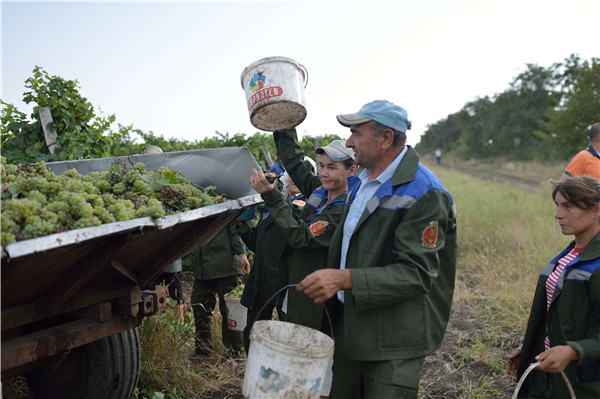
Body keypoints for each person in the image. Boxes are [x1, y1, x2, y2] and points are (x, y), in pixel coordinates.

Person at [296, 100, 458, 398]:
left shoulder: (424, 193)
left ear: (385, 138)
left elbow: (416, 275)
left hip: (393, 340)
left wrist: (345, 279)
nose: (348, 142)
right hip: (351, 325)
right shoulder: (361, 183)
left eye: (356, 134)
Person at [251, 139, 357, 399]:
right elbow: (296, 161)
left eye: (332, 167)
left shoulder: (342, 208)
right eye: (321, 166)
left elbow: (302, 237)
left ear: (351, 171)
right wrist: (283, 123)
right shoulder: (320, 191)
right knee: (297, 363)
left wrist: (272, 196)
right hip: (298, 294)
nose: (323, 173)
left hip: (318, 306)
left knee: (317, 369)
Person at [506, 175, 600, 398]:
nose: (558, 215)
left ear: (597, 210)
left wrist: (574, 351)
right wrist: (534, 346)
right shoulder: (569, 255)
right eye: (557, 206)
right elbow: (560, 316)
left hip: (584, 385)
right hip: (551, 377)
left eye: (568, 206)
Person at [236, 172, 306, 354]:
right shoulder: (275, 205)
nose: (294, 179)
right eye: (291, 176)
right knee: (253, 331)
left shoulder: (306, 205)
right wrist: (240, 226)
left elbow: (294, 228)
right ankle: (254, 370)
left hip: (286, 282)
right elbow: (258, 242)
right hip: (263, 279)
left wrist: (272, 196)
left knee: (291, 331)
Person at [188, 225, 250, 357]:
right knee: (200, 307)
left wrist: (241, 253)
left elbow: (235, 227)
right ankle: (202, 350)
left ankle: (236, 353)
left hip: (226, 265)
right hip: (202, 268)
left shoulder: (224, 204)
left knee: (231, 312)